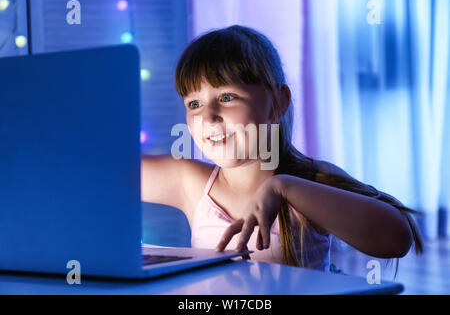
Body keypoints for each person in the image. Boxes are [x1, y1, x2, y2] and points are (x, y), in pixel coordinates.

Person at [141, 25, 423, 272]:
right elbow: (105, 168)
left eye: (226, 97)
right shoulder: (189, 182)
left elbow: (396, 239)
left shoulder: (307, 181)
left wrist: (283, 188)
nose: (208, 116)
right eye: (194, 104)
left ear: (277, 102)